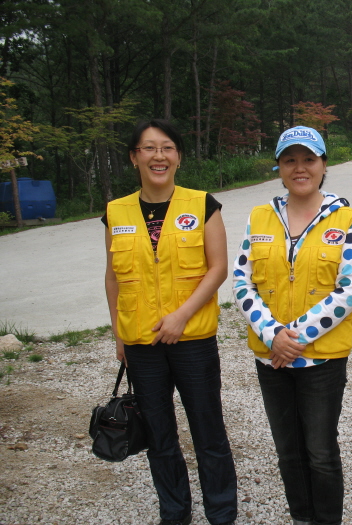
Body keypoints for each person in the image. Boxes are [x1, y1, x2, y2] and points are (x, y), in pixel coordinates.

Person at [103, 119, 237, 525]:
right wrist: (118, 334)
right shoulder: (115, 211)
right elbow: (113, 276)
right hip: (141, 342)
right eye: (148, 148)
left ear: (178, 156)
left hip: (192, 339)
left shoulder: (202, 204)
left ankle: (221, 512)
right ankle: (175, 512)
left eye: (167, 148)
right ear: (134, 157)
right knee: (160, 435)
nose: (158, 156)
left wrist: (181, 316)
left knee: (207, 429)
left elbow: (218, 269)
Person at [233, 126, 352, 525]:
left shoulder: (348, 219)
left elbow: (349, 288)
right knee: (287, 450)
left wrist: (297, 337)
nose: (299, 168)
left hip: (321, 361)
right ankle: (302, 518)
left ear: (324, 164)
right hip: (271, 356)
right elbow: (242, 280)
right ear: (279, 166)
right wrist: (273, 334)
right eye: (290, 160)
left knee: (321, 453)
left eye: (309, 159)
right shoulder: (260, 216)